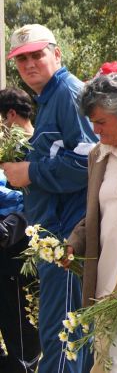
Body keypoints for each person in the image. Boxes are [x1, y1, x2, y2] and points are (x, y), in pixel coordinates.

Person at [1, 24, 96, 373]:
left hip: (65, 237)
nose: (29, 64)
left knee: (63, 340)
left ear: (57, 53)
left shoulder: (68, 93)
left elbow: (88, 161)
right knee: (62, 337)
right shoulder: (50, 97)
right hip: (54, 235)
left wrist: (30, 172)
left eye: (37, 55)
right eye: (21, 58)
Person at [67, 74, 117, 372]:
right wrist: (74, 243)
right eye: (92, 122)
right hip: (107, 281)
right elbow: (97, 212)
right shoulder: (98, 156)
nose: (95, 130)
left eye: (101, 122)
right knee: (106, 360)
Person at [0, 88, 41, 373]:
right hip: (12, 243)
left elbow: (32, 202)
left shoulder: (31, 150)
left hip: (18, 248)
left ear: (11, 115)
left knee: (19, 322)